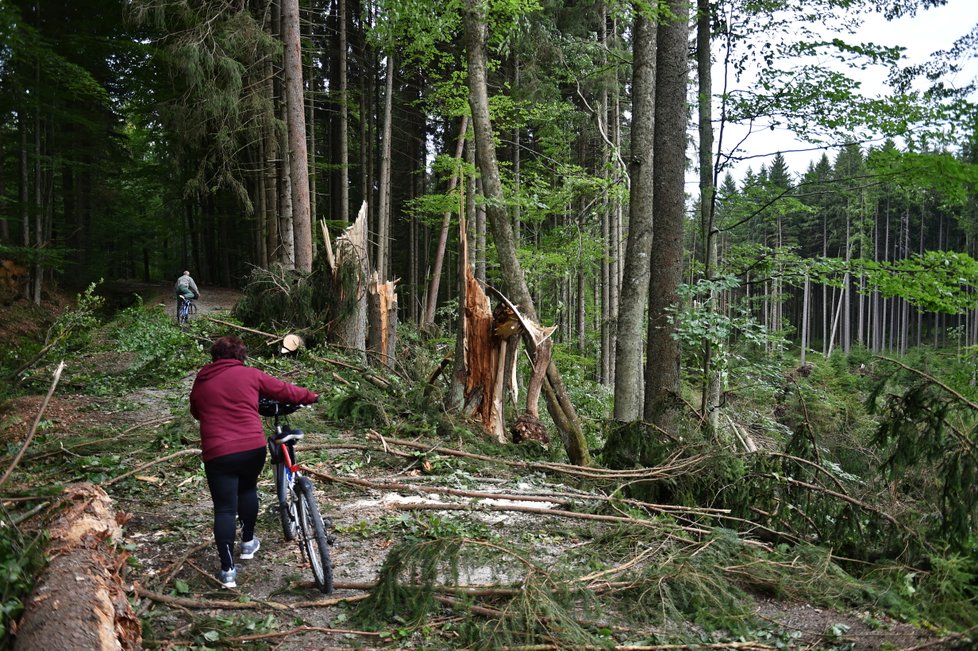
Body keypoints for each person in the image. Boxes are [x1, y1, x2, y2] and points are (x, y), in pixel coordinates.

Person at [189, 335, 318, 588]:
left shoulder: (202, 381)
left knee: (224, 509)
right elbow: (284, 390)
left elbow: (195, 411)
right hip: (251, 448)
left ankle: (227, 571)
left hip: (218, 452)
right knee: (248, 490)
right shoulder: (250, 375)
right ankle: (248, 543)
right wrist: (310, 396)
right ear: (240, 356)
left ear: (214, 357)